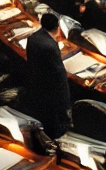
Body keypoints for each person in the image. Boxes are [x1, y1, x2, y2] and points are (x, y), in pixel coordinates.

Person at [18, 12, 73, 140]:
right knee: (52, 125)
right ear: (57, 27)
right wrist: (66, 102)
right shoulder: (50, 46)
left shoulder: (33, 38)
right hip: (50, 93)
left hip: (35, 86)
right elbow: (59, 75)